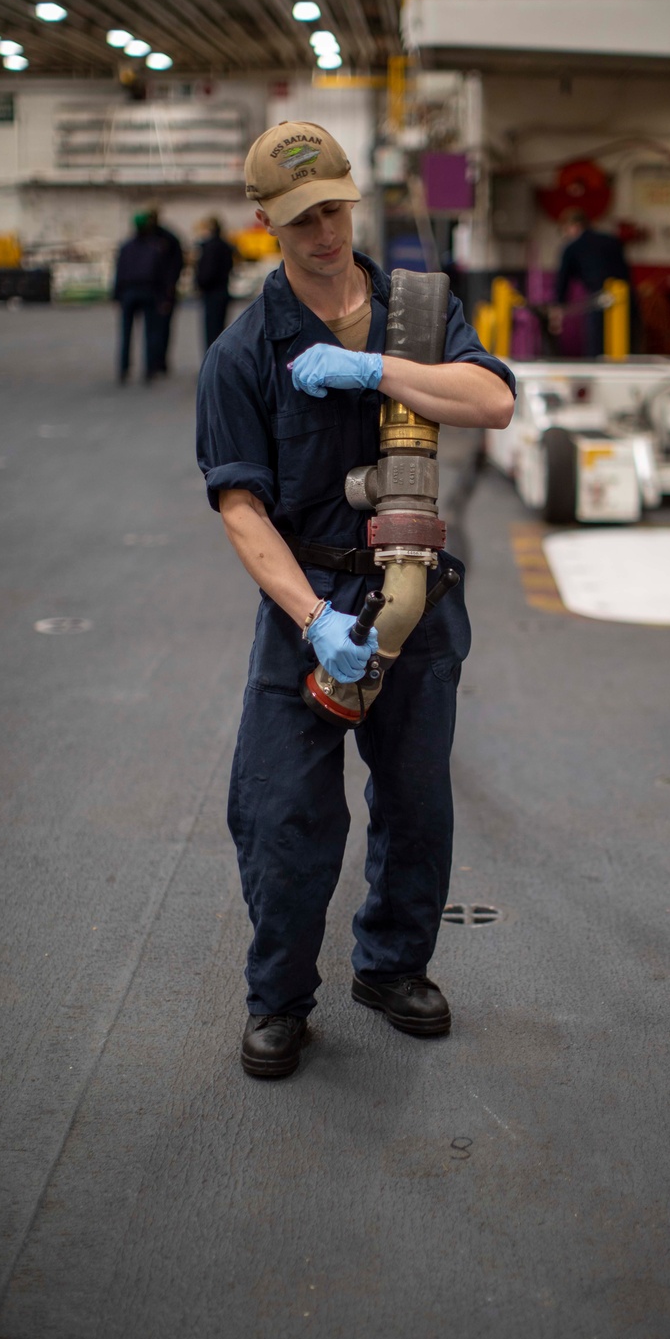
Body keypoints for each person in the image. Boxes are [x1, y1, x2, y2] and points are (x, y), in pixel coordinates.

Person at [196, 121, 515, 1079]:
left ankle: (391, 966)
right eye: (300, 220)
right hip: (312, 598)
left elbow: (490, 400)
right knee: (283, 813)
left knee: (416, 803)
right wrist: (313, 622)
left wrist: (376, 368)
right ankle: (280, 998)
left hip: (415, 586)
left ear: (352, 196)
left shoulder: (419, 309)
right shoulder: (242, 353)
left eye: (334, 208)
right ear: (265, 223)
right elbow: (242, 510)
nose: (324, 232)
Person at [550, 207, 630, 357]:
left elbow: (562, 281)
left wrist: (557, 309)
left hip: (599, 300)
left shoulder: (572, 248)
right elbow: (625, 272)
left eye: (565, 230)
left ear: (573, 226)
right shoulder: (611, 241)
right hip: (624, 301)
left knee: (597, 347)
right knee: (624, 346)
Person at [113, 212, 165, 382]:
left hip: (128, 292)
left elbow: (119, 272)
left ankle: (123, 368)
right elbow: (159, 274)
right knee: (150, 332)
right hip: (148, 291)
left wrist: (117, 295)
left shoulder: (126, 247)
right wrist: (162, 296)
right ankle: (149, 369)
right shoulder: (155, 246)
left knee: (126, 333)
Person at [143, 209, 184, 375]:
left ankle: (157, 362)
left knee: (159, 328)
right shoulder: (164, 237)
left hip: (161, 290)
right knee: (158, 328)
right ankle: (155, 362)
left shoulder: (162, 238)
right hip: (159, 290)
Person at [195, 216, 236, 350]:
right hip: (223, 290)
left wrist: (199, 284)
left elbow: (207, 271)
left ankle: (210, 361)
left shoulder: (209, 247)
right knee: (220, 327)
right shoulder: (226, 246)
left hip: (211, 292)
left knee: (210, 329)